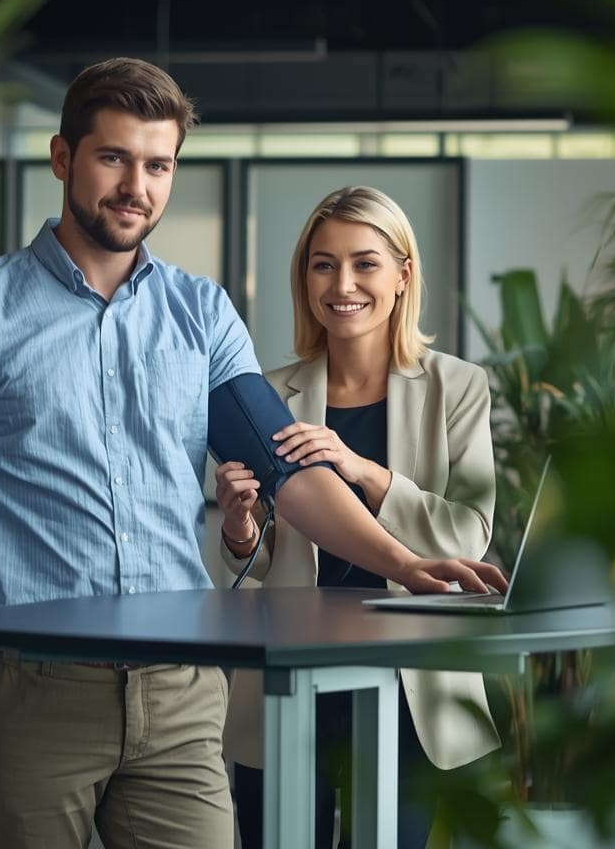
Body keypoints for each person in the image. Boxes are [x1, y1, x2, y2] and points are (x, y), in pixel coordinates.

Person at [0, 59, 505, 849]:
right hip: (32, 694)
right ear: (63, 159)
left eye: (159, 164)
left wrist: (404, 564)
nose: (136, 184)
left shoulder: (201, 312)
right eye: (113, 158)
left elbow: (290, 472)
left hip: (179, 697)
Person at [217, 186, 502, 848]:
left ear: (403, 275)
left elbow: (469, 535)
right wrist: (239, 527)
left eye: (364, 263)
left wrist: (365, 470)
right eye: (323, 263)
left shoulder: (458, 388)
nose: (342, 283)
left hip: (411, 684)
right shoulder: (270, 393)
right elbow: (264, 559)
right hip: (293, 675)